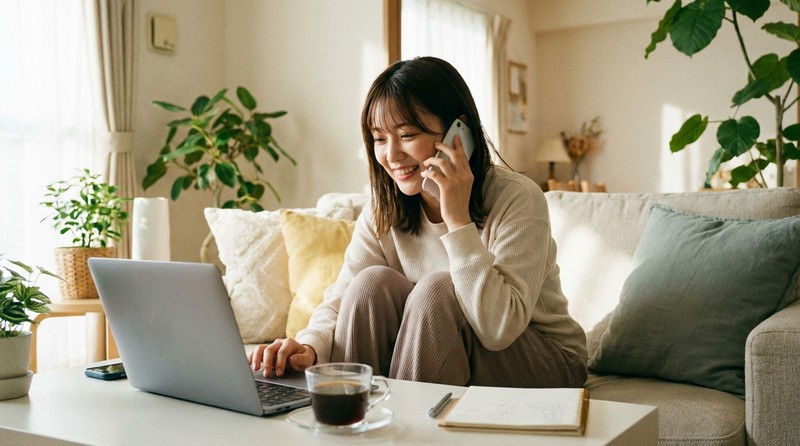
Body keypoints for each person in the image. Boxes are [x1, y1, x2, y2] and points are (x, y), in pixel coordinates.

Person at [249, 56, 587, 388]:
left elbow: (498, 329)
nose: (391, 155)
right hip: (450, 346)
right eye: (380, 139)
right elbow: (340, 301)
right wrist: (308, 346)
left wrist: (457, 220)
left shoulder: (518, 197)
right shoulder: (384, 208)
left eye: (407, 134)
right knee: (370, 284)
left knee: (437, 290)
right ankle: (352, 415)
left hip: (544, 358)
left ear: (458, 133)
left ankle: (407, 423)